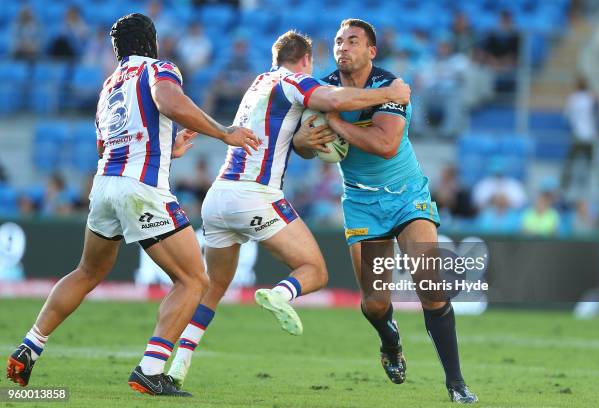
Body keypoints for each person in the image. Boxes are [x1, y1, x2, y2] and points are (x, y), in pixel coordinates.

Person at [6, 13, 258, 397]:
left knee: (87, 272)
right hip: (141, 187)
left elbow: (107, 146)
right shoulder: (160, 68)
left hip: (105, 184)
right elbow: (168, 101)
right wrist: (224, 131)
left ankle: (30, 345)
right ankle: (151, 369)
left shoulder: (108, 86)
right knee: (194, 280)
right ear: (151, 42)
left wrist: (165, 150)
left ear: (117, 49)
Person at [165, 30, 412, 388]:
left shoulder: (259, 83)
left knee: (212, 286)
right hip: (255, 193)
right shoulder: (293, 80)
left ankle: (175, 366)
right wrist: (388, 93)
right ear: (306, 60)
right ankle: (279, 294)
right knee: (314, 269)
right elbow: (334, 98)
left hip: (218, 196)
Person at [292, 19, 477, 403]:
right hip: (361, 203)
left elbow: (387, 144)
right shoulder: (323, 88)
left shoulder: (389, 87)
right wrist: (304, 140)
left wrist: (337, 123)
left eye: (353, 41)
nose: (343, 47)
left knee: (431, 286)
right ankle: (390, 340)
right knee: (375, 302)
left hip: (407, 197)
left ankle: (456, 383)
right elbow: (301, 144)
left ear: (371, 51)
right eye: (339, 41)